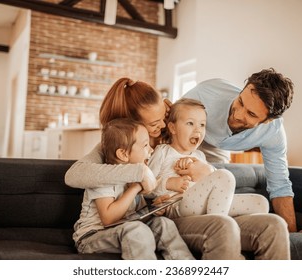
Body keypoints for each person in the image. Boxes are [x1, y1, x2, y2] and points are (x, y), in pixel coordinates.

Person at [65, 77, 290, 260]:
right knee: (221, 225)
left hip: (194, 201)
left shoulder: (177, 131)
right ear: (131, 125)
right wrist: (142, 175)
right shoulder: (121, 147)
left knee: (274, 225)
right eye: (154, 124)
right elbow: (76, 175)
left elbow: (202, 159)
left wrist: (205, 172)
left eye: (164, 116)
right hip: (178, 210)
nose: (163, 126)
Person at [180, 68, 302, 233]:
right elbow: (172, 123)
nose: (238, 114)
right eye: (240, 101)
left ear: (267, 121)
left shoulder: (273, 133)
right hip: (191, 135)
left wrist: (293, 235)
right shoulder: (206, 93)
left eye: (251, 114)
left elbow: (280, 185)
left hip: (218, 150)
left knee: (217, 186)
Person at [72, 118, 194, 260]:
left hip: (125, 228)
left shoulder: (138, 176)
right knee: (137, 230)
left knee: (164, 224)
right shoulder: (104, 178)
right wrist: (135, 187)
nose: (151, 149)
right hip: (92, 237)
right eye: (145, 145)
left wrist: (154, 208)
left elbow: (135, 216)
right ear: (123, 154)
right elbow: (108, 218)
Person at [148, 98, 269, 218]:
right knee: (226, 175)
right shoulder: (163, 152)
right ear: (172, 128)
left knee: (260, 203)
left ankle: (218, 217)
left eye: (202, 125)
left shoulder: (199, 156)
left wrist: (207, 172)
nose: (197, 129)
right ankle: (217, 222)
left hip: (207, 203)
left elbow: (218, 183)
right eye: (190, 123)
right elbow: (146, 189)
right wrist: (168, 183)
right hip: (178, 205)